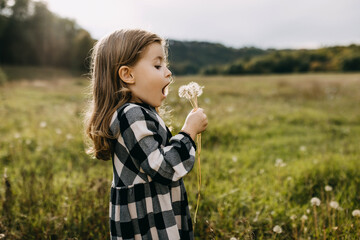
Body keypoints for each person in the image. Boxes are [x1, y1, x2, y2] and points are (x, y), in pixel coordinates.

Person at [84, 29, 208, 240]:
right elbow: (163, 168)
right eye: (158, 65)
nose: (168, 72)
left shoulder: (139, 112)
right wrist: (189, 132)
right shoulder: (131, 114)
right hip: (148, 222)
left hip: (154, 212)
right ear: (127, 75)